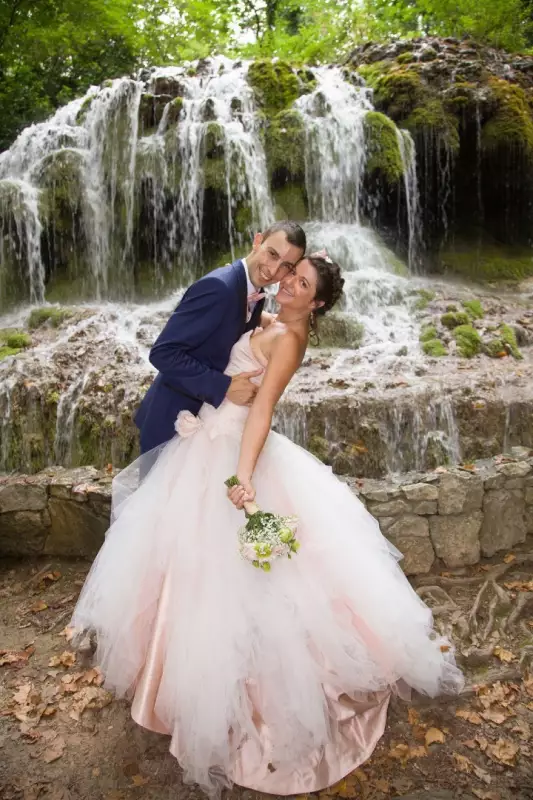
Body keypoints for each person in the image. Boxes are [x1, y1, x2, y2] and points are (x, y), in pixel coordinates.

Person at [70, 253, 464, 797]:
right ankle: (171, 679)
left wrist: (244, 474)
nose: (289, 283)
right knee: (193, 566)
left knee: (254, 576)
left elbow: (262, 410)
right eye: (289, 273)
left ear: (318, 302)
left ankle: (256, 697)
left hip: (236, 450)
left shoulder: (289, 341)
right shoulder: (269, 319)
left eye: (302, 283)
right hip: (205, 436)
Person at [134, 221, 306, 454]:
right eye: (272, 254)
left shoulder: (252, 292)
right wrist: (224, 386)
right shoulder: (219, 287)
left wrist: (260, 318)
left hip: (206, 430)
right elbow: (163, 353)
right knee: (164, 491)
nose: (274, 270)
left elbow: (222, 329)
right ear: (257, 242)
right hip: (170, 423)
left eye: (286, 266)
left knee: (214, 487)